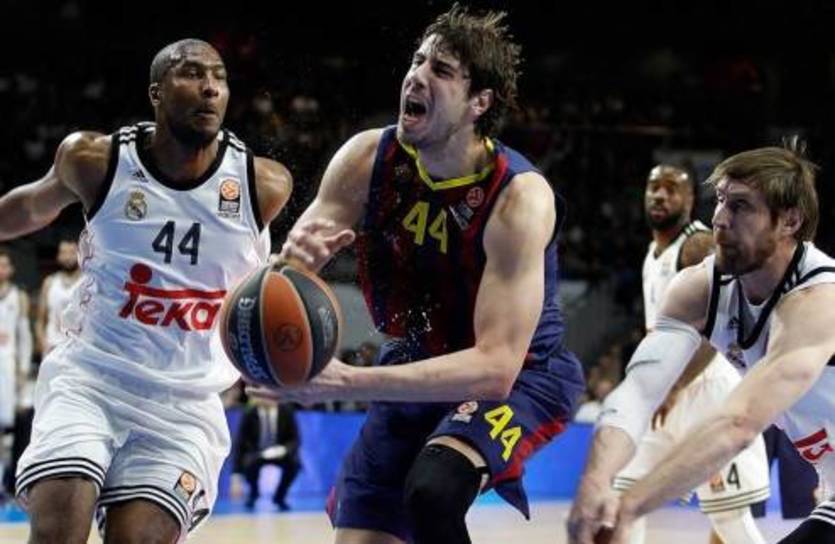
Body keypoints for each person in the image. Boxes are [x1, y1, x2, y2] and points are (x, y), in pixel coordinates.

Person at [265, 5, 585, 544]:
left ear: (480, 102)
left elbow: (495, 368)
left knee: (433, 491)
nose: (416, 76)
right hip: (418, 359)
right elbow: (280, 286)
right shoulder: (366, 158)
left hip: (522, 375)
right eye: (417, 60)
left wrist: (347, 382)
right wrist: (289, 269)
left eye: (441, 70)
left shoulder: (519, 198)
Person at [4, 39, 291, 543]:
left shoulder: (261, 186)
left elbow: (270, 288)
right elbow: (30, 208)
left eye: (219, 77)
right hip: (90, 379)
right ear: (156, 93)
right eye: (192, 73)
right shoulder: (95, 160)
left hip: (184, 403)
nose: (210, 88)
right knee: (59, 523)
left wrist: (275, 358)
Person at [567, 142, 835, 544]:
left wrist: (631, 506)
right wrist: (595, 481)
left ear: (790, 221)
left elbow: (739, 423)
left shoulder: (818, 299)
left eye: (741, 206)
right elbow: (638, 392)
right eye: (721, 200)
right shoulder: (698, 288)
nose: (720, 219)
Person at [610, 165, 769, 544]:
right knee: (620, 499)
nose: (660, 195)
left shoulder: (698, 245)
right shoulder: (653, 252)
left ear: (690, 199)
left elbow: (714, 330)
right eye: (654, 186)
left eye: (672, 188)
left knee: (729, 520)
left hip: (706, 390)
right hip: (665, 391)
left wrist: (674, 385)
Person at [0, 248, 32, 494]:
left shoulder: (19, 296)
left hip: (8, 367)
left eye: (3, 265)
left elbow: (25, 338)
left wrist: (22, 370)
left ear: (10, 269)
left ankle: (9, 481)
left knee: (9, 426)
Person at [232, 399, 301, 511]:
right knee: (248, 462)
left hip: (280, 452)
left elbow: (295, 439)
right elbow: (240, 444)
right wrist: (236, 476)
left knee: (295, 464)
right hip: (257, 453)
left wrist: (284, 449)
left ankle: (279, 497)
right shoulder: (250, 413)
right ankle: (254, 493)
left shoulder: (286, 411)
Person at [35, 238, 81, 356]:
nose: (67, 257)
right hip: (52, 346)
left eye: (72, 252)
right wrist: (42, 342)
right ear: (58, 256)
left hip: (78, 348)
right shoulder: (49, 283)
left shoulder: (87, 282)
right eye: (63, 252)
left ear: (80, 255)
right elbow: (40, 320)